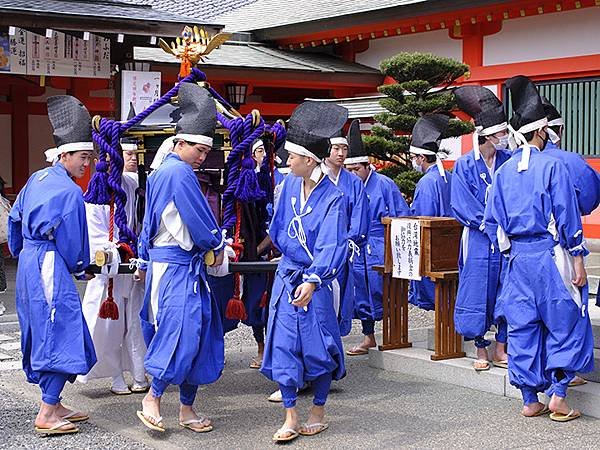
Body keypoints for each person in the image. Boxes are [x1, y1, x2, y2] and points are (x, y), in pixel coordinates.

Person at [484, 75, 593, 421]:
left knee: (522, 326)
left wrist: (508, 254)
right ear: (543, 131)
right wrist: (577, 262)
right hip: (550, 254)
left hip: (517, 258)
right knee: (567, 321)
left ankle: (530, 398)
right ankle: (559, 394)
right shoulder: (554, 166)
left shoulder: (503, 172)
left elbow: (493, 222)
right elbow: (568, 218)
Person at [136, 82, 226, 433]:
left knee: (194, 331)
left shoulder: (161, 172)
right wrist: (217, 244)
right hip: (177, 268)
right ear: (179, 143)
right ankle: (153, 398)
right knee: (182, 332)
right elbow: (200, 223)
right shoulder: (179, 173)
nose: (202, 156)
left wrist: (144, 258)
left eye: (207, 151)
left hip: (168, 265)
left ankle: (186, 409)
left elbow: (147, 221)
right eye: (198, 149)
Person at [8, 95, 97, 435]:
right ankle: (47, 411)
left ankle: (55, 401)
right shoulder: (71, 193)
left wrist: (22, 253)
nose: (85, 165)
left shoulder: (37, 178)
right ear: (65, 154)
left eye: (89, 158)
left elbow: (14, 220)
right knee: (60, 327)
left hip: (31, 261)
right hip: (49, 262)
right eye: (82, 158)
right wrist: (80, 266)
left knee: (40, 326)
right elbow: (74, 243)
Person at [261, 101, 349, 442]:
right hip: (288, 277)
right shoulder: (287, 190)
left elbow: (332, 244)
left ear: (309, 161)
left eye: (292, 157)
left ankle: (318, 409)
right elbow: (279, 230)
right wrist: (286, 260)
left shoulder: (334, 198)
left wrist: (314, 279)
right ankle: (290, 415)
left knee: (319, 347)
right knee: (282, 345)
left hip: (317, 282)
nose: (287, 161)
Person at [78, 139, 149, 395]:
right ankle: (116, 376)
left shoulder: (132, 185)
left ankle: (140, 374)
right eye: (125, 153)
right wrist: (118, 249)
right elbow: (95, 236)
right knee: (109, 326)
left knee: (135, 322)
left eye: (132, 153)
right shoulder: (96, 192)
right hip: (110, 266)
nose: (130, 158)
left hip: (133, 263)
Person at [452, 85, 511, 371]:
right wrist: (488, 224)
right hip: (476, 237)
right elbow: (461, 204)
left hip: (504, 237)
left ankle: (501, 345)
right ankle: (480, 347)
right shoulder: (464, 165)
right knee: (475, 290)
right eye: (502, 134)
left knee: (505, 287)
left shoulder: (508, 161)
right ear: (487, 135)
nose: (505, 139)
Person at [344, 120, 410, 355]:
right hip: (356, 247)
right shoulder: (345, 186)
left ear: (367, 166)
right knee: (359, 291)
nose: (353, 174)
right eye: (349, 170)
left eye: (356, 170)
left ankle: (394, 335)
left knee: (384, 289)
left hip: (381, 242)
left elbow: (402, 215)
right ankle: (368, 336)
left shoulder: (384, 184)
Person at [322, 114, 370, 337]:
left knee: (340, 299)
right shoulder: (315, 178)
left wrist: (348, 242)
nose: (341, 154)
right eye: (336, 149)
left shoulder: (353, 182)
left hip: (342, 252)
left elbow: (360, 217)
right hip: (317, 252)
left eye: (344, 149)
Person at [408, 114, 453, 310]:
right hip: (452, 243)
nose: (413, 161)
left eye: (413, 157)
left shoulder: (427, 182)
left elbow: (422, 217)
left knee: (438, 298)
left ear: (422, 157)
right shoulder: (448, 177)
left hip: (434, 247)